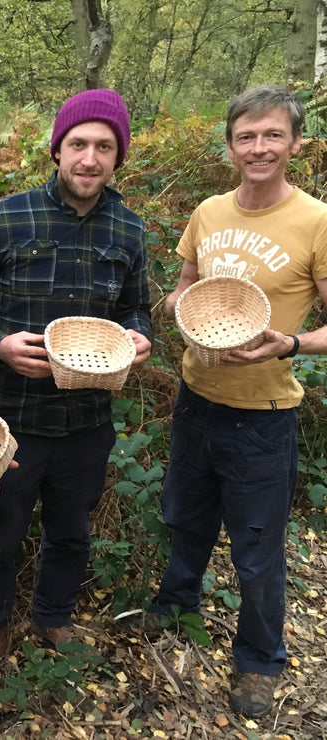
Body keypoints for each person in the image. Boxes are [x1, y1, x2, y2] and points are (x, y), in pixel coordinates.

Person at [0, 89, 153, 684]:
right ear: (57, 149)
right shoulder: (5, 217)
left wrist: (141, 340)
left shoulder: (128, 229)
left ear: (117, 155)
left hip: (86, 424)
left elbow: (139, 311)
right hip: (11, 421)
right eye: (78, 145)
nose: (89, 159)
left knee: (71, 532)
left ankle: (51, 616)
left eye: (104, 147)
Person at [145, 85, 327, 718]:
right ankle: (175, 603)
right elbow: (182, 288)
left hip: (264, 418)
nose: (259, 147)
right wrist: (180, 312)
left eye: (273, 135)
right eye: (246, 136)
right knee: (185, 516)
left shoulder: (315, 219)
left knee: (256, 546)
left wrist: (292, 342)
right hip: (198, 401)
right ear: (230, 144)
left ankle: (259, 659)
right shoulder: (209, 211)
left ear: (295, 143)